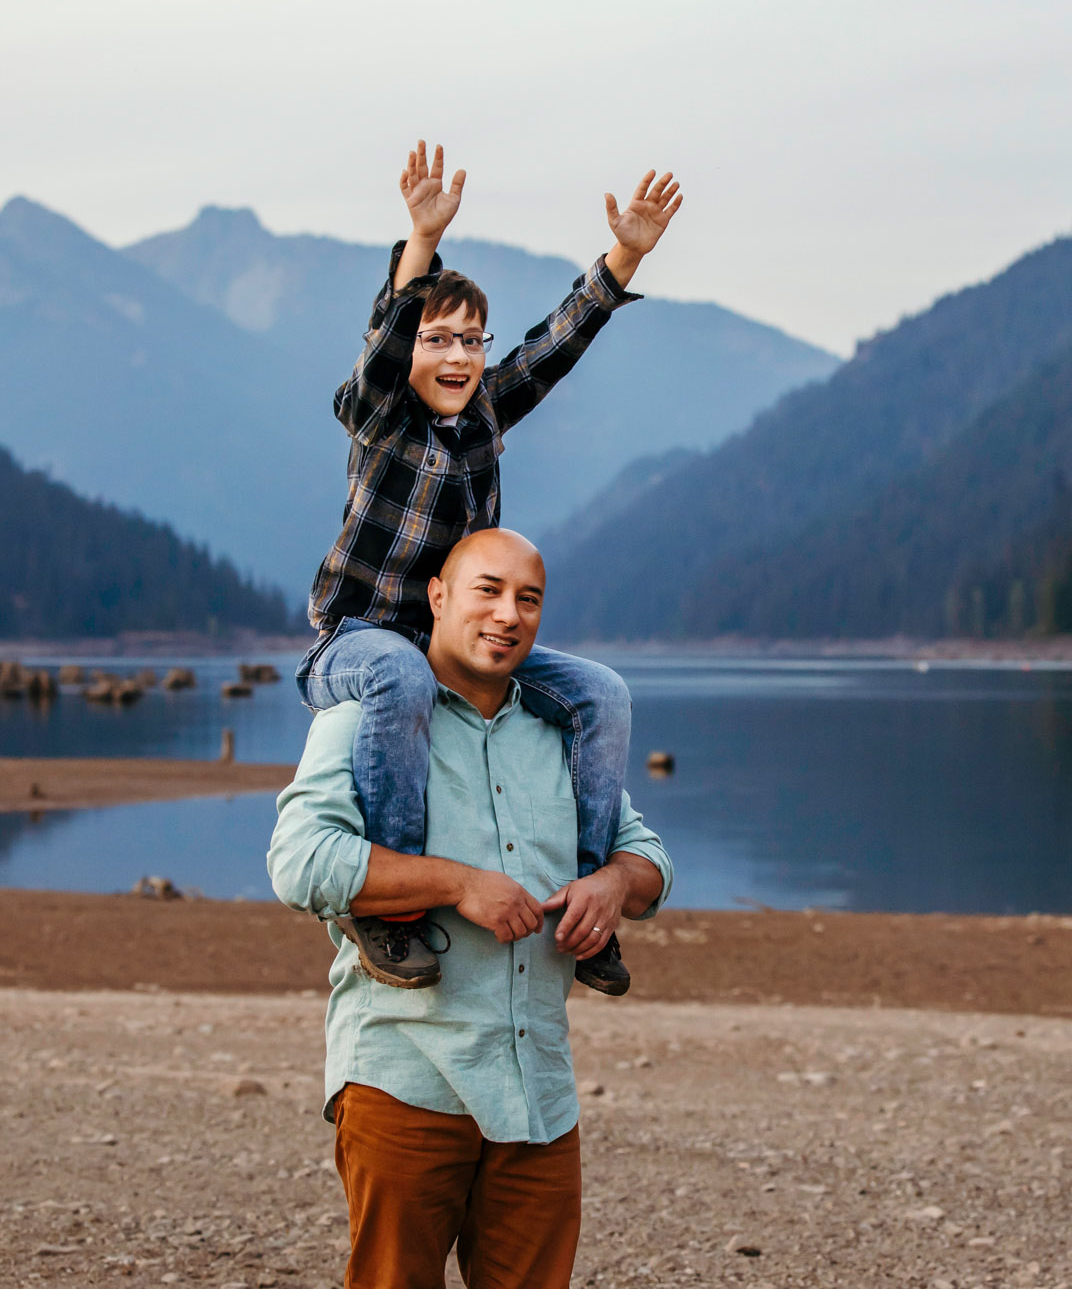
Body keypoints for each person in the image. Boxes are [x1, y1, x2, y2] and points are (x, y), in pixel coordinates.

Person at [293, 140, 682, 996]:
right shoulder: (377, 417)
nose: (459, 355)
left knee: (601, 693)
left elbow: (555, 344)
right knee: (396, 670)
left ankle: (584, 906)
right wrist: (420, 247)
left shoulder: (488, 411)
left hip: (456, 643)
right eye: (438, 339)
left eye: (471, 339)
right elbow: (377, 358)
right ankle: (390, 909)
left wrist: (624, 257)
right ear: (410, 348)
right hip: (357, 641)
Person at [269, 528, 672, 1289]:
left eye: (528, 598)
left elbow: (647, 855)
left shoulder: (566, 733)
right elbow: (299, 862)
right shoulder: (363, 718)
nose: (508, 615)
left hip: (539, 1093)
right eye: (487, 589)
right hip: (406, 1080)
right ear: (439, 596)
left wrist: (613, 884)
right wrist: (456, 883)